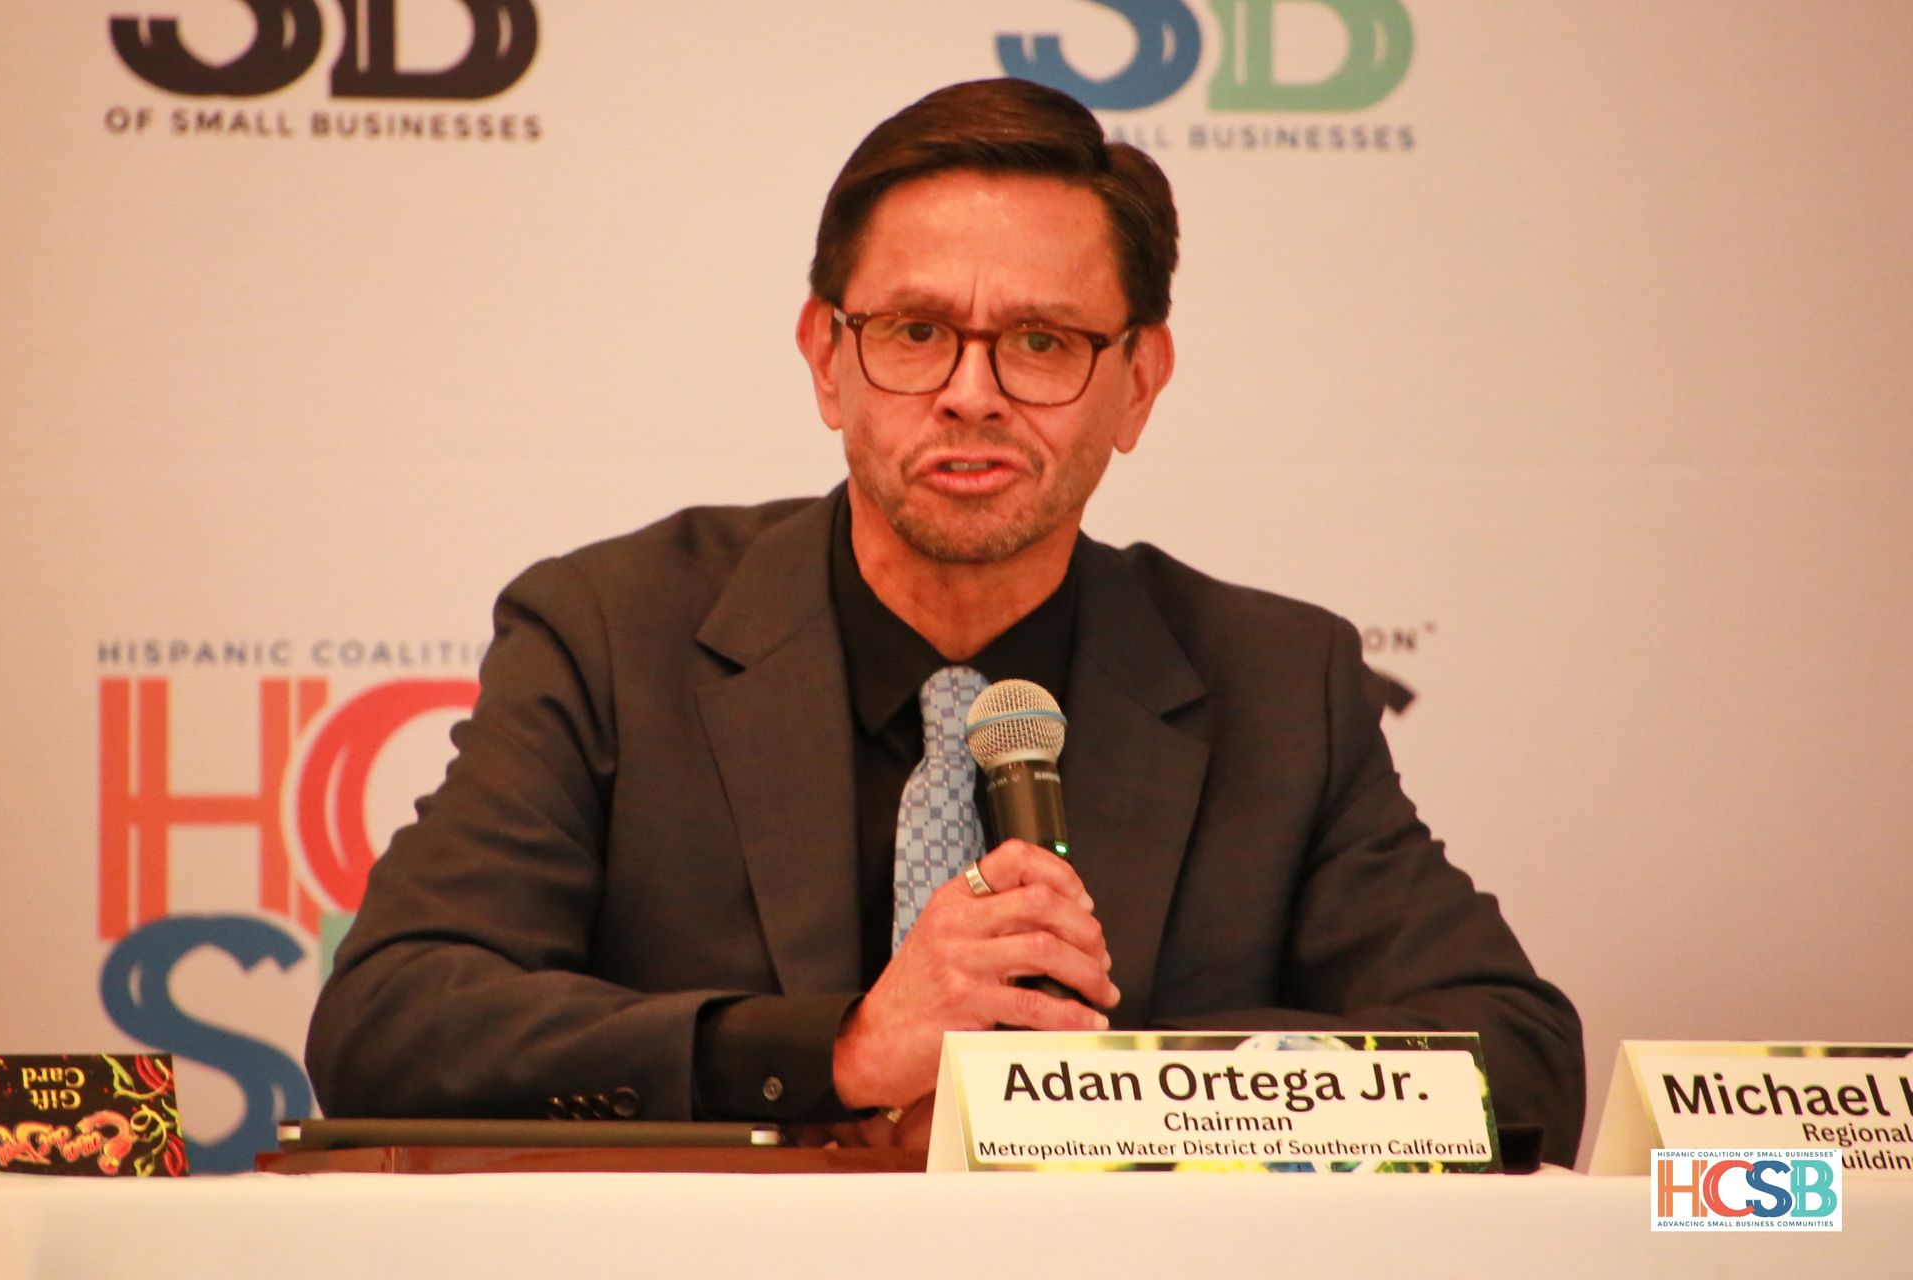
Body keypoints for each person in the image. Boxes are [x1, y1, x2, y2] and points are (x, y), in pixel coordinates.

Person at [306, 78, 1585, 1164]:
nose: (971, 395)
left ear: (1138, 382)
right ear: (826, 357)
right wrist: (842, 1050)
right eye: (915, 332)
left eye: (1041, 340)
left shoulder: (1273, 680)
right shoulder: (610, 633)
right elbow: (390, 1019)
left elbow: (1520, 1060)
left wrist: (1093, 1098)